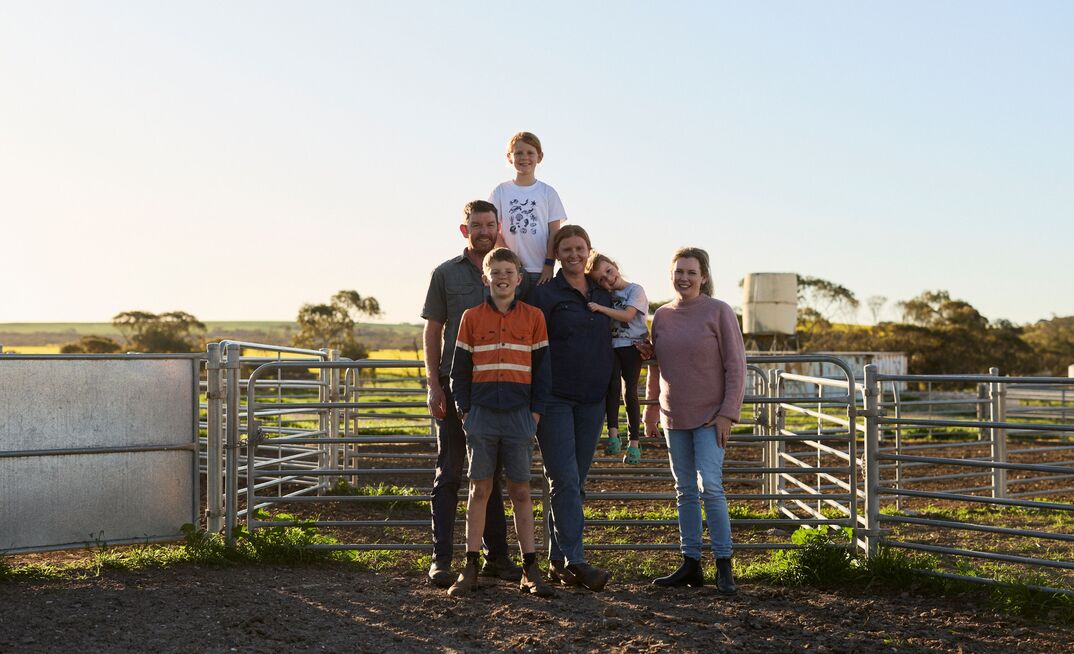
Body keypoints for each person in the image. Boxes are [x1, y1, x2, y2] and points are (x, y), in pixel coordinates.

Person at [421, 200, 522, 588]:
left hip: (496, 389)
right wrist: (434, 384)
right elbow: (433, 331)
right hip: (453, 385)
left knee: (490, 476)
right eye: (476, 224)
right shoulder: (445, 274)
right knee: (449, 471)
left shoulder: (509, 272)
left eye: (489, 224)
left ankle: (497, 558)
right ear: (465, 230)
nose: (483, 230)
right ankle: (441, 559)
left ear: (498, 228)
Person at [447, 248, 555, 598]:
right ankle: (470, 567)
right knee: (480, 491)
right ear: (486, 277)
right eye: (496, 272)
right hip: (481, 416)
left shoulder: (534, 317)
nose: (503, 278)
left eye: (509, 271)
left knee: (521, 492)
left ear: (519, 278)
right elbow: (458, 372)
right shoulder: (471, 318)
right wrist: (466, 411)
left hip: (519, 417)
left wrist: (534, 414)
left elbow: (544, 372)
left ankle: (530, 569)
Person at [643, 247, 746, 595]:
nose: (684, 278)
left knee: (711, 488)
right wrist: (651, 409)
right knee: (684, 490)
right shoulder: (661, 316)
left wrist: (728, 413)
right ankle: (690, 564)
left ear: (703, 277)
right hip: (674, 416)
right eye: (678, 272)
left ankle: (724, 564)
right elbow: (655, 366)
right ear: (670, 275)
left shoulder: (719, 312)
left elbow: (736, 366)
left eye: (691, 272)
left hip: (710, 417)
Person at [528, 225, 614, 591]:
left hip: (592, 399)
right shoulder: (545, 295)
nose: (574, 254)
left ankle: (557, 561)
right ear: (557, 253)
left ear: (589, 250)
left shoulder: (605, 294)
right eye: (567, 249)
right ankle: (576, 561)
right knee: (563, 478)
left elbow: (625, 337)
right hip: (555, 398)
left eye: (580, 248)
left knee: (573, 483)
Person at [584, 252, 649, 465]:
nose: (608, 279)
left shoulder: (635, 290)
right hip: (613, 346)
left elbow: (628, 315)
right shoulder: (605, 295)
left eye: (608, 271)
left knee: (629, 391)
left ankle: (634, 443)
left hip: (632, 346)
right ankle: (612, 433)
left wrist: (601, 308)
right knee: (611, 387)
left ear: (615, 266)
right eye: (601, 279)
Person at [489, 131, 567, 299]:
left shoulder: (548, 192)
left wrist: (549, 264)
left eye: (530, 153)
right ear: (509, 157)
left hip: (539, 270)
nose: (525, 157)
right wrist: (510, 261)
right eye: (519, 153)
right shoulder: (501, 191)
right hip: (510, 272)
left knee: (537, 318)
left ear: (539, 157)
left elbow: (554, 232)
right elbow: (492, 229)